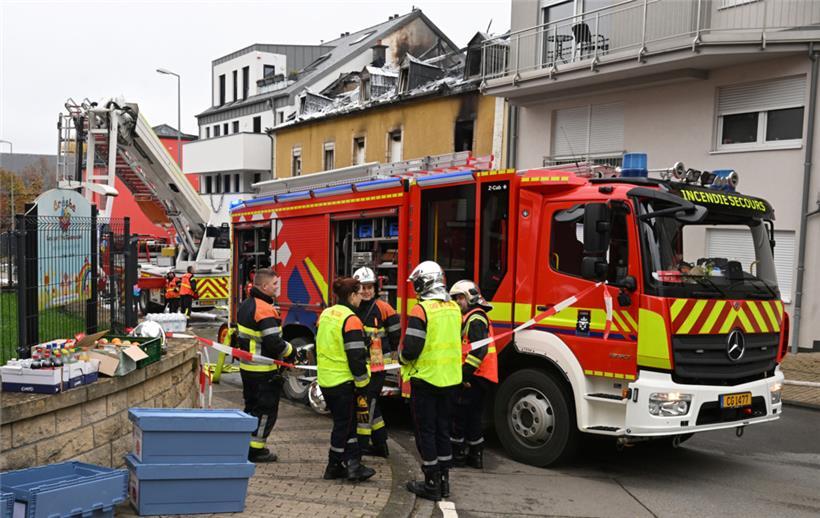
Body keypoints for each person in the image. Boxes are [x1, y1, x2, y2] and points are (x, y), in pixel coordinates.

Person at [399, 261, 462, 501]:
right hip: (450, 380)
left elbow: (411, 348)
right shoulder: (454, 307)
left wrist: (401, 358)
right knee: (443, 430)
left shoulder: (421, 310)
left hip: (426, 380)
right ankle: (444, 481)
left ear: (424, 283)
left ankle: (431, 484)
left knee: (426, 431)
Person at [317, 276, 377, 482]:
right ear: (352, 296)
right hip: (344, 381)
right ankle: (338, 466)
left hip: (326, 379)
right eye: (359, 294)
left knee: (345, 424)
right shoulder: (351, 320)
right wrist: (363, 384)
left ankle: (348, 465)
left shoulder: (326, 313)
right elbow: (356, 358)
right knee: (345, 426)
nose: (361, 297)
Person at [236, 268, 295, 463]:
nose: (278, 287)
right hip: (263, 371)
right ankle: (256, 450)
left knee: (251, 408)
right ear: (264, 286)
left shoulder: (246, 305)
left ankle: (245, 445)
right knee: (266, 412)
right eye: (275, 284)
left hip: (247, 368)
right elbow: (273, 342)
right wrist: (291, 352)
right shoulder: (265, 309)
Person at [448, 280, 497, 469]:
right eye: (455, 299)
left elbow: (478, 351)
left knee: (459, 417)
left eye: (460, 298)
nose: (457, 302)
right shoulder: (474, 316)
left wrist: (464, 376)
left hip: (474, 376)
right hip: (480, 375)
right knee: (473, 417)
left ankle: (458, 456)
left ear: (470, 297)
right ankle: (475, 456)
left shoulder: (475, 319)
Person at [352, 266, 401, 458]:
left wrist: (390, 353)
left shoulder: (383, 308)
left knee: (365, 403)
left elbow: (396, 333)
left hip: (377, 367)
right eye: (362, 287)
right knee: (372, 403)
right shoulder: (353, 307)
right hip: (360, 364)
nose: (366, 291)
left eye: (369, 287)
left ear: (375, 288)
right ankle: (381, 444)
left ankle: (362, 445)